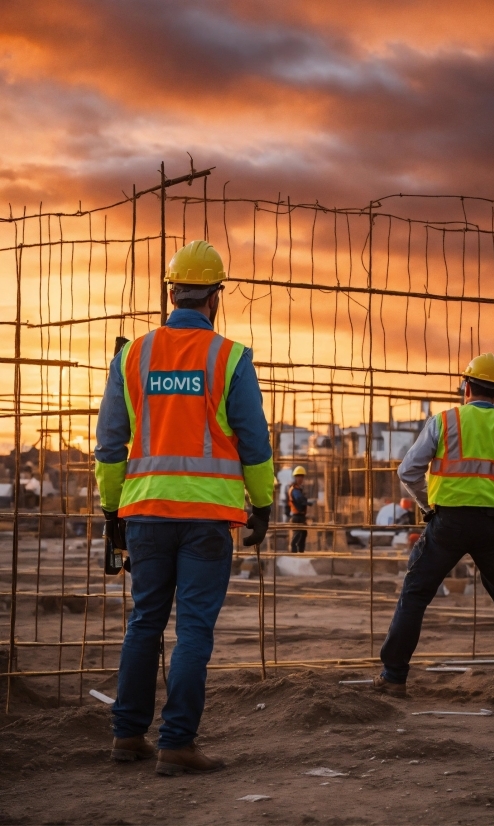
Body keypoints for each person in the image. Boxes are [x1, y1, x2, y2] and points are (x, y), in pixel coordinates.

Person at [95, 240, 274, 775]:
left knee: (144, 623)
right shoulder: (230, 357)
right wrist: (262, 505)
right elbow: (254, 442)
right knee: (194, 629)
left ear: (170, 292)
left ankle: (127, 737)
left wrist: (112, 513)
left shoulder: (132, 356)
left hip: (145, 513)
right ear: (216, 297)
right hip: (206, 520)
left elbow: (109, 445)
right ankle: (176, 744)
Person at [374, 353, 494, 699]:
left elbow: (407, 472)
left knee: (415, 594)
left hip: (449, 523)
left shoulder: (444, 421)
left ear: (466, 386)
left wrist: (428, 505)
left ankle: (394, 676)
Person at [286, 466, 312, 553]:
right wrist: (307, 502)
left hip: (300, 516)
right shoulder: (294, 490)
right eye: (299, 476)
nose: (301, 479)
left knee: (303, 533)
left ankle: (301, 551)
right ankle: (293, 552)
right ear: (295, 477)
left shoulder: (298, 489)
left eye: (302, 477)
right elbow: (299, 499)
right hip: (296, 516)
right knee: (297, 534)